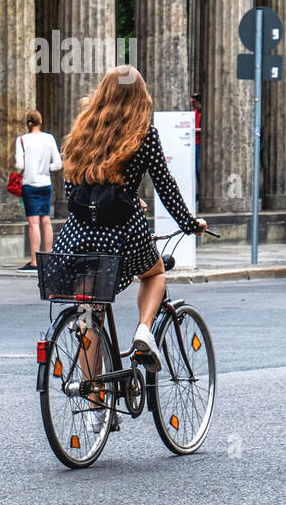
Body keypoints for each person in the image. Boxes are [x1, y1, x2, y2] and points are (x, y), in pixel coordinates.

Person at [55, 66, 206, 367]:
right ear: (140, 97)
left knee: (88, 315)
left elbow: (71, 188)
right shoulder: (143, 134)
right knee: (154, 273)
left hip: (78, 236)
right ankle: (144, 331)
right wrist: (189, 223)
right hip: (123, 234)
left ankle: (95, 407)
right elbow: (165, 185)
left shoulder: (83, 131)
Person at [15, 109, 62, 271]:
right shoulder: (49, 138)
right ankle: (48, 258)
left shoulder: (22, 140)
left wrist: (30, 168)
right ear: (40, 122)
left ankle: (35, 260)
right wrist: (45, 168)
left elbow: (19, 165)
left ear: (27, 123)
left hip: (30, 183)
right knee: (46, 221)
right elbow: (58, 163)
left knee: (33, 222)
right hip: (45, 183)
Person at [189, 91, 202, 202]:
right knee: (194, 170)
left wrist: (194, 130)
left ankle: (200, 193)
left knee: (199, 169)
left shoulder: (202, 113)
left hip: (199, 144)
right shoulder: (194, 112)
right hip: (193, 144)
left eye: (193, 102)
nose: (192, 105)